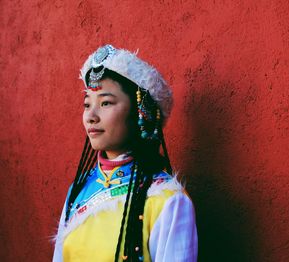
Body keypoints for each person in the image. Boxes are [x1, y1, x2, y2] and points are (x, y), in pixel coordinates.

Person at [52, 44, 198, 262]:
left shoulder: (167, 202)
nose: (91, 116)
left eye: (106, 102)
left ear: (141, 111)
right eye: (86, 104)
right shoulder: (78, 192)